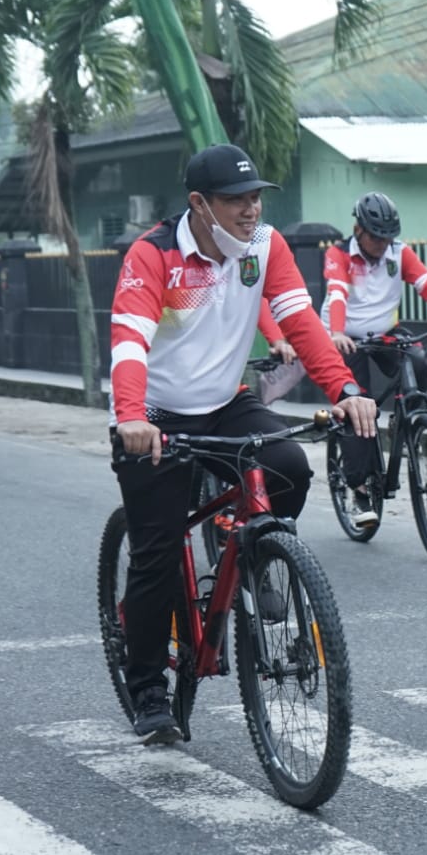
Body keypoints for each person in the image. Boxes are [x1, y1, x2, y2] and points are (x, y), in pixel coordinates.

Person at [108, 143, 377, 743]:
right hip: (154, 412)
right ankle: (148, 684)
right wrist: (131, 416)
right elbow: (128, 339)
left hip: (225, 400)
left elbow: (302, 322)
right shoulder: (154, 255)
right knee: (155, 553)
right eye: (236, 200)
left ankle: (253, 555)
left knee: (290, 466)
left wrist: (345, 388)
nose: (250, 209)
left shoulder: (265, 245)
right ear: (200, 205)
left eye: (255, 197)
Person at [321, 191, 427, 528]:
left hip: (386, 331)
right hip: (346, 337)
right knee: (356, 405)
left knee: (418, 363)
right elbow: (336, 294)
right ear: (358, 229)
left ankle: (408, 418)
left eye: (387, 236)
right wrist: (335, 331)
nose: (381, 243)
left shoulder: (398, 252)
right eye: (375, 236)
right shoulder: (339, 254)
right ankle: (360, 490)